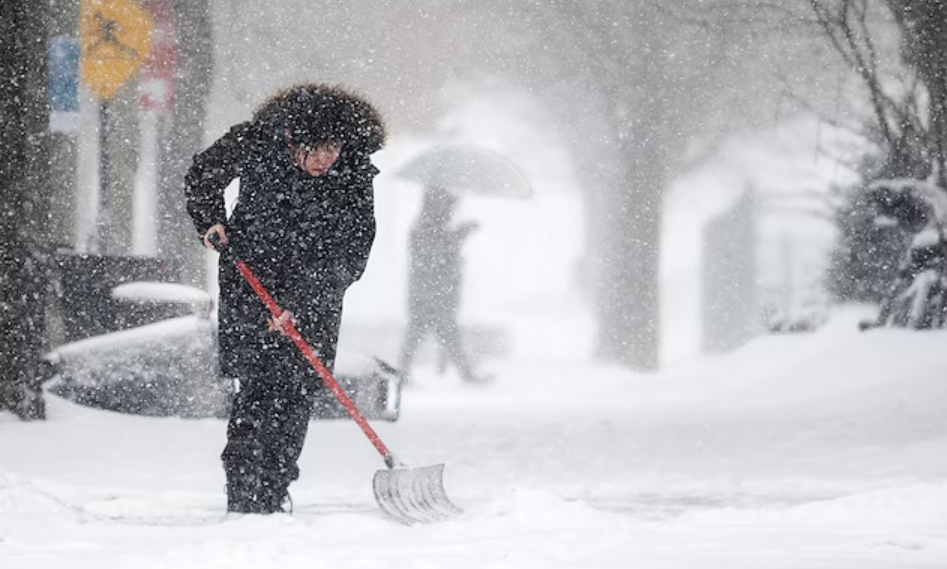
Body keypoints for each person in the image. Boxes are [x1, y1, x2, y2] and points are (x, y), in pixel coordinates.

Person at [184, 83, 386, 514]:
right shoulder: (256, 142)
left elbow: (353, 251)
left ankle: (274, 491)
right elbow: (203, 174)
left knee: (294, 396)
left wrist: (304, 301)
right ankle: (242, 495)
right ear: (292, 140)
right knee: (254, 392)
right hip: (250, 284)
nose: (323, 161)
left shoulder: (353, 175)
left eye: (331, 150)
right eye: (313, 151)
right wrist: (212, 220)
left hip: (315, 299)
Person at [398, 187, 487, 384]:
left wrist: (458, 235)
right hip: (430, 294)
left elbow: (442, 250)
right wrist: (461, 234)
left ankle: (404, 373)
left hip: (436, 293)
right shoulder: (425, 227)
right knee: (431, 333)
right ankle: (466, 375)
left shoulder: (432, 227)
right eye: (449, 206)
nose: (450, 212)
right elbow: (436, 253)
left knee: (434, 334)